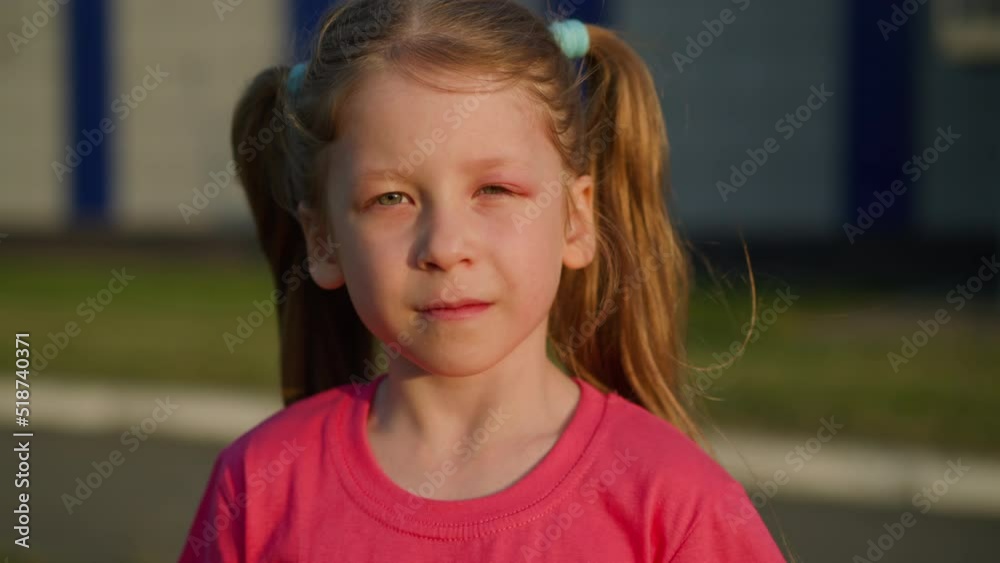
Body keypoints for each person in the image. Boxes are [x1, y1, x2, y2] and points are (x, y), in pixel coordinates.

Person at [178, 0, 788, 560]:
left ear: (575, 218)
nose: (445, 247)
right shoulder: (256, 487)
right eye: (391, 197)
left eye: (494, 190)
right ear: (324, 241)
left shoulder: (675, 508)